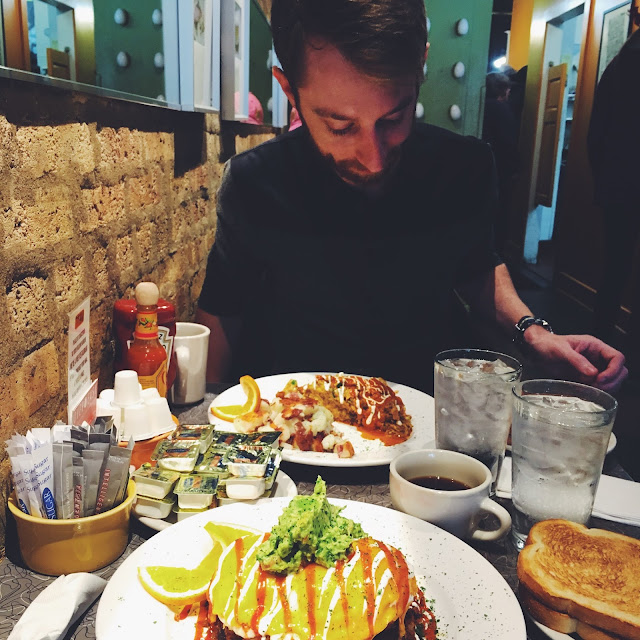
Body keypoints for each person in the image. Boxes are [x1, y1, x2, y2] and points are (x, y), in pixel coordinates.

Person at [196, 0, 627, 394]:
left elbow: (477, 269)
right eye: (340, 126)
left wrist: (533, 333)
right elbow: (223, 312)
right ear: (289, 89)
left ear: (421, 65)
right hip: (296, 414)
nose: (374, 159)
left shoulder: (465, 167)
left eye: (394, 117)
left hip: (427, 413)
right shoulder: (255, 183)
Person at [588, 14, 640, 373]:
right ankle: (634, 356)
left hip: (617, 184)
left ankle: (600, 347)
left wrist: (604, 179)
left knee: (614, 270)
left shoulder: (616, 67)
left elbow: (595, 135)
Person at [482, 72, 520, 256]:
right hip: (500, 169)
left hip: (481, 168)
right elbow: (508, 143)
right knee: (500, 213)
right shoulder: (502, 110)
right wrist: (514, 168)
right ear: (504, 90)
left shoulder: (481, 106)